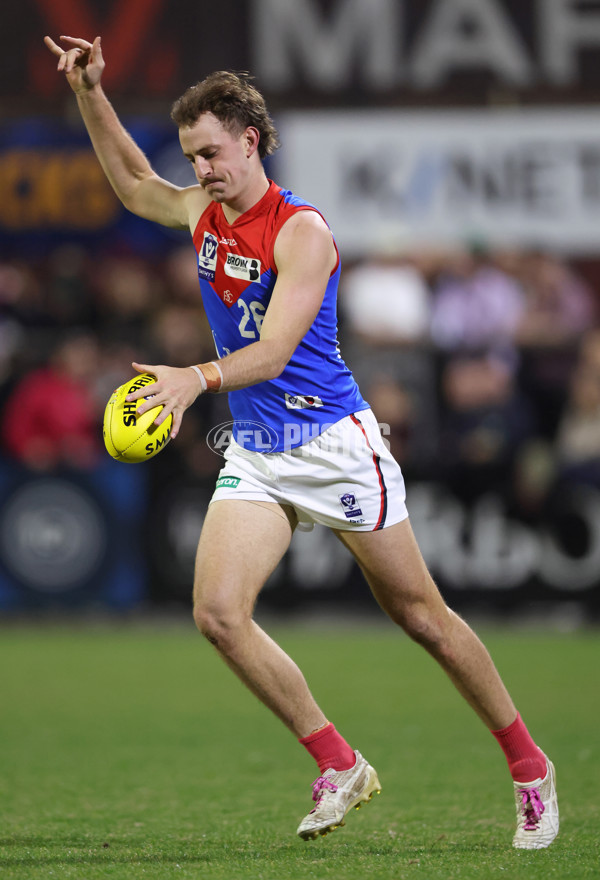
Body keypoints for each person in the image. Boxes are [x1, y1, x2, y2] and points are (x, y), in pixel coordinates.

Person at [44, 34, 559, 850]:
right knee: (217, 613)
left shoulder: (300, 232)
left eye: (211, 153)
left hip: (334, 444)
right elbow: (137, 185)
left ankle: (530, 767)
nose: (201, 170)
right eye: (192, 156)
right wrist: (88, 93)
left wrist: (193, 380)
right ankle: (338, 761)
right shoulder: (203, 214)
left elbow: (275, 353)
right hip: (258, 447)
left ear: (250, 140)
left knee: (422, 616)